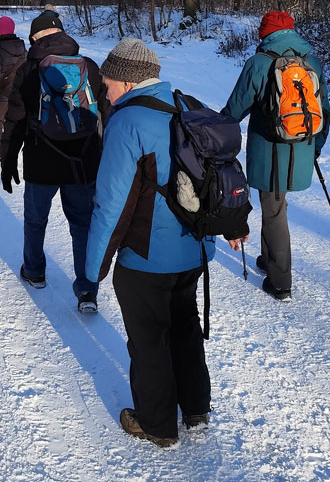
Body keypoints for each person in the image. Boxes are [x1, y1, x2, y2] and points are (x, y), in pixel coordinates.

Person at [85, 39, 236, 448]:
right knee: (185, 327)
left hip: (147, 259)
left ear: (126, 81)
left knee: (149, 341)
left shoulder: (127, 121)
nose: (104, 91)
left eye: (107, 83)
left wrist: (93, 268)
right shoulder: (186, 103)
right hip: (194, 250)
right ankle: (196, 408)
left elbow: (111, 204)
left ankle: (156, 425)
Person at [0, 11, 107, 312]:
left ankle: (34, 271)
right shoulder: (89, 67)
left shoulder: (27, 71)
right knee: (83, 225)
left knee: (36, 220)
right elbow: (106, 113)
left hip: (41, 160)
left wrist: (8, 160)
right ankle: (87, 289)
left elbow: (15, 120)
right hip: (83, 162)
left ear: (35, 37)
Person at [222, 10, 330, 301]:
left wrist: (216, 133)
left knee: (273, 211)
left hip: (269, 152)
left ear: (265, 33)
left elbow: (234, 109)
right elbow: (325, 111)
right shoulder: (312, 62)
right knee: (275, 206)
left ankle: (281, 283)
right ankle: (268, 257)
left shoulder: (259, 63)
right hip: (303, 148)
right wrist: (316, 146)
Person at [0, 16, 26, 164]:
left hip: (1, 92)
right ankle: (12, 149)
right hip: (18, 90)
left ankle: (0, 152)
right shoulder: (21, 47)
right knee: (13, 121)